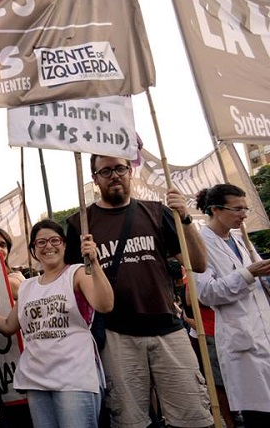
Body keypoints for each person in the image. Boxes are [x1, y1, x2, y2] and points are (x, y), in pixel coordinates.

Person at [65, 154, 213, 428]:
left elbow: (199, 264)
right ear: (95, 178)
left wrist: (185, 219)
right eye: (105, 171)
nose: (114, 175)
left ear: (130, 171)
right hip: (115, 334)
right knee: (130, 421)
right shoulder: (79, 225)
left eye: (120, 168)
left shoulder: (158, 212)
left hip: (168, 329)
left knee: (193, 416)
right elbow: (75, 288)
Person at [0, 219, 113, 427]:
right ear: (33, 250)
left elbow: (105, 304)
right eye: (41, 242)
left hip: (74, 379)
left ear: (64, 244)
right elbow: (8, 326)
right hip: (37, 381)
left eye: (54, 240)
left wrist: (94, 263)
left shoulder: (77, 273)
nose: (48, 246)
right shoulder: (27, 286)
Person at [194, 184, 270, 427]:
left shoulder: (241, 240)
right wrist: (248, 274)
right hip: (241, 341)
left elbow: (261, 280)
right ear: (215, 209)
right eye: (237, 209)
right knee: (258, 415)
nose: (244, 214)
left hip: (264, 332)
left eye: (245, 208)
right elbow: (206, 293)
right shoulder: (201, 244)